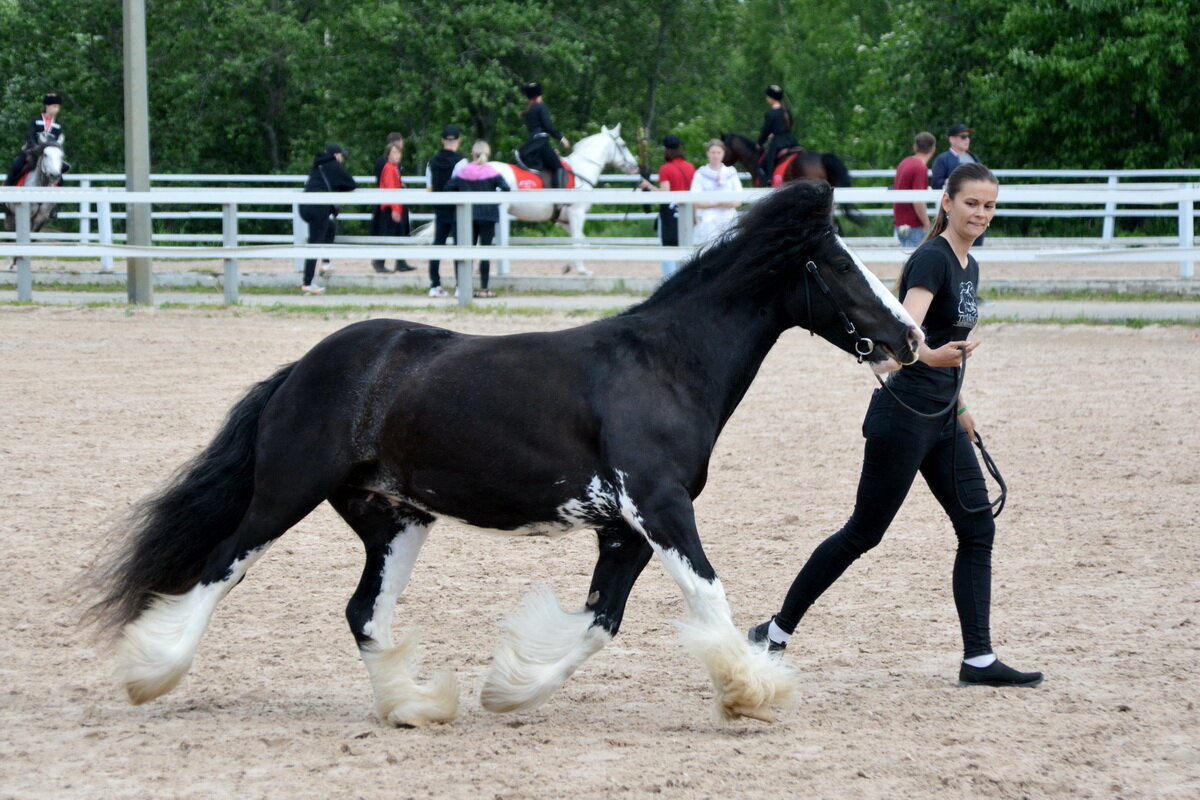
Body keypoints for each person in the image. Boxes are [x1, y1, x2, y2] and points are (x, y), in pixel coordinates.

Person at [749, 162, 1043, 689]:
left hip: (940, 415)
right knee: (864, 532)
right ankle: (774, 629)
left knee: (977, 527)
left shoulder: (968, 264)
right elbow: (901, 341)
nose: (981, 214)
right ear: (947, 203)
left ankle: (978, 658)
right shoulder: (932, 259)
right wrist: (932, 363)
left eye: (990, 206)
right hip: (904, 414)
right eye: (972, 203)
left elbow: (942, 345)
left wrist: (959, 405)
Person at [444, 140, 510, 298]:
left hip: (468, 217)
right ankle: (485, 288)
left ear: (472, 154)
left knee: (466, 253)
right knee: (485, 252)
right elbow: (506, 188)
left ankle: (461, 286)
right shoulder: (491, 171)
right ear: (487, 154)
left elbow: (448, 188)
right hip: (488, 216)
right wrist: (495, 201)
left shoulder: (464, 171)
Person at [298, 143, 356, 295]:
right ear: (336, 155)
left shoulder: (319, 166)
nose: (342, 159)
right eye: (341, 155)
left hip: (305, 207)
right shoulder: (333, 165)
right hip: (318, 208)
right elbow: (351, 184)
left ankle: (325, 263)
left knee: (329, 228)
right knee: (314, 245)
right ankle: (307, 283)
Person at [638, 134, 696, 278]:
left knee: (668, 251)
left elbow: (666, 193)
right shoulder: (690, 167)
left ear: (666, 149)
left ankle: (669, 281)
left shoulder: (666, 169)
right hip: (687, 212)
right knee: (685, 249)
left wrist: (649, 186)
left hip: (670, 214)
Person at [425, 125, 468, 297]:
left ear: (442, 140)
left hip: (440, 209)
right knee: (460, 247)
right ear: (458, 140)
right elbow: (462, 187)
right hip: (457, 210)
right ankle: (460, 285)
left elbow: (429, 188)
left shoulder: (431, 162)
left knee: (437, 245)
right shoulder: (461, 162)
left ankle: (435, 285)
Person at [370, 136, 414, 274]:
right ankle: (379, 262)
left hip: (394, 207)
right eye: (393, 153)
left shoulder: (393, 168)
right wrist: (395, 209)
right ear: (388, 155)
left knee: (398, 234)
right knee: (387, 235)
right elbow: (390, 189)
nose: (397, 156)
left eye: (398, 153)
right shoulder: (389, 168)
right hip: (391, 208)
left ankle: (399, 262)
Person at [517, 81, 570, 189]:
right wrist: (562, 138)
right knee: (559, 167)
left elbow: (536, 133)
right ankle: (559, 198)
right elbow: (548, 126)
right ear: (539, 96)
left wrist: (551, 149)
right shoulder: (541, 107)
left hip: (533, 143)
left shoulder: (527, 111)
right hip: (541, 143)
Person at [5, 92, 65, 187]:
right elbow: (30, 135)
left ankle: (59, 197)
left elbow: (58, 138)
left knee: (61, 173)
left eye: (57, 107)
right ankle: (7, 190)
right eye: (54, 106)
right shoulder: (36, 120)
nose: (56, 109)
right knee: (16, 165)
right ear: (47, 106)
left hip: (50, 152)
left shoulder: (58, 124)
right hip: (33, 150)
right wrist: (34, 146)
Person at [690, 139, 742, 246]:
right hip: (709, 218)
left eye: (718, 152)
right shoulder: (701, 173)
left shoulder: (731, 172)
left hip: (728, 216)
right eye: (713, 152)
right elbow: (695, 201)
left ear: (723, 154)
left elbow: (739, 198)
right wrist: (717, 204)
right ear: (708, 153)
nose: (715, 156)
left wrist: (730, 203)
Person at [892, 132, 936, 248]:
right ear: (933, 149)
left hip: (900, 221)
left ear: (915, 147)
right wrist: (927, 224)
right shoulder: (920, 168)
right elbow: (918, 200)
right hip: (913, 224)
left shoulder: (905, 162)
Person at [757, 85, 798, 186]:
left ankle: (769, 180)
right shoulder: (786, 112)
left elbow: (765, 131)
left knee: (766, 161)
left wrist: (759, 143)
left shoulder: (770, 114)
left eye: (768, 96)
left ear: (771, 98)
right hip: (791, 140)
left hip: (778, 143)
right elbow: (789, 125)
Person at [930, 124, 978, 190]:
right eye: (963, 137)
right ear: (952, 139)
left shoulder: (973, 158)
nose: (967, 139)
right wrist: (951, 182)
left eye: (968, 136)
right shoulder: (942, 159)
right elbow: (936, 184)